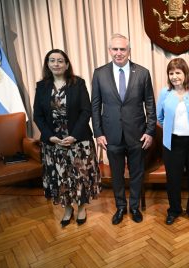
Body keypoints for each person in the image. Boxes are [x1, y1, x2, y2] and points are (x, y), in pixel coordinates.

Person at [91, 33, 156, 225]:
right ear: (109, 50)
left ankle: (134, 207)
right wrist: (98, 133)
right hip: (111, 135)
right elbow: (95, 105)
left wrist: (150, 131)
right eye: (115, 49)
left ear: (129, 51)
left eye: (122, 49)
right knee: (117, 174)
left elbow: (150, 105)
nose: (119, 53)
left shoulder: (142, 73)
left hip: (137, 134)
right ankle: (120, 207)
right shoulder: (99, 73)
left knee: (136, 173)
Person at [33, 49, 101, 227]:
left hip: (78, 142)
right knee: (61, 178)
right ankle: (67, 208)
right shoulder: (42, 87)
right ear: (47, 64)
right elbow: (37, 116)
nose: (56, 64)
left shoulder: (78, 83)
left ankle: (81, 208)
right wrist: (51, 137)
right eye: (52, 60)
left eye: (60, 61)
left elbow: (86, 111)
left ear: (67, 64)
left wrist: (73, 136)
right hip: (54, 144)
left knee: (79, 176)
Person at [157, 58, 189, 225]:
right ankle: (174, 210)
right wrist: (172, 129)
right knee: (173, 179)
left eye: (178, 72)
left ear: (185, 73)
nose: (174, 76)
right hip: (172, 143)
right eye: (171, 73)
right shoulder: (165, 93)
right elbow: (160, 117)